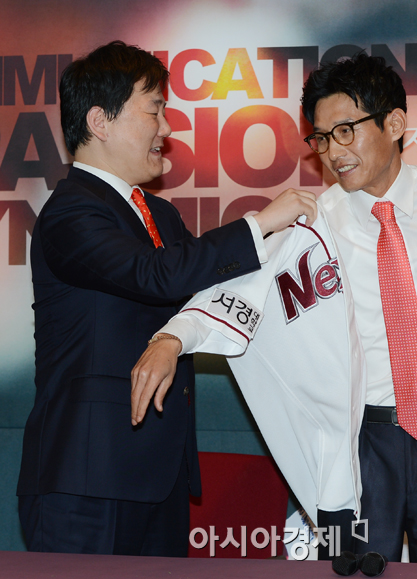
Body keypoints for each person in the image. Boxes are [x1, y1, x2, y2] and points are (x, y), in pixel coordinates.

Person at [130, 51, 417, 563]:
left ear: (394, 124)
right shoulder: (313, 226)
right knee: (346, 569)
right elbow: (237, 293)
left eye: (346, 132)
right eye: (321, 138)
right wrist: (171, 338)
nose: (333, 152)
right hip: (358, 445)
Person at [16, 40, 317, 557]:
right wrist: (261, 223)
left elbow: (209, 301)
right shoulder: (69, 213)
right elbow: (153, 275)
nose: (168, 128)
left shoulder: (163, 216)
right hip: (88, 477)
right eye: (154, 110)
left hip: (162, 475)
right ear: (99, 121)